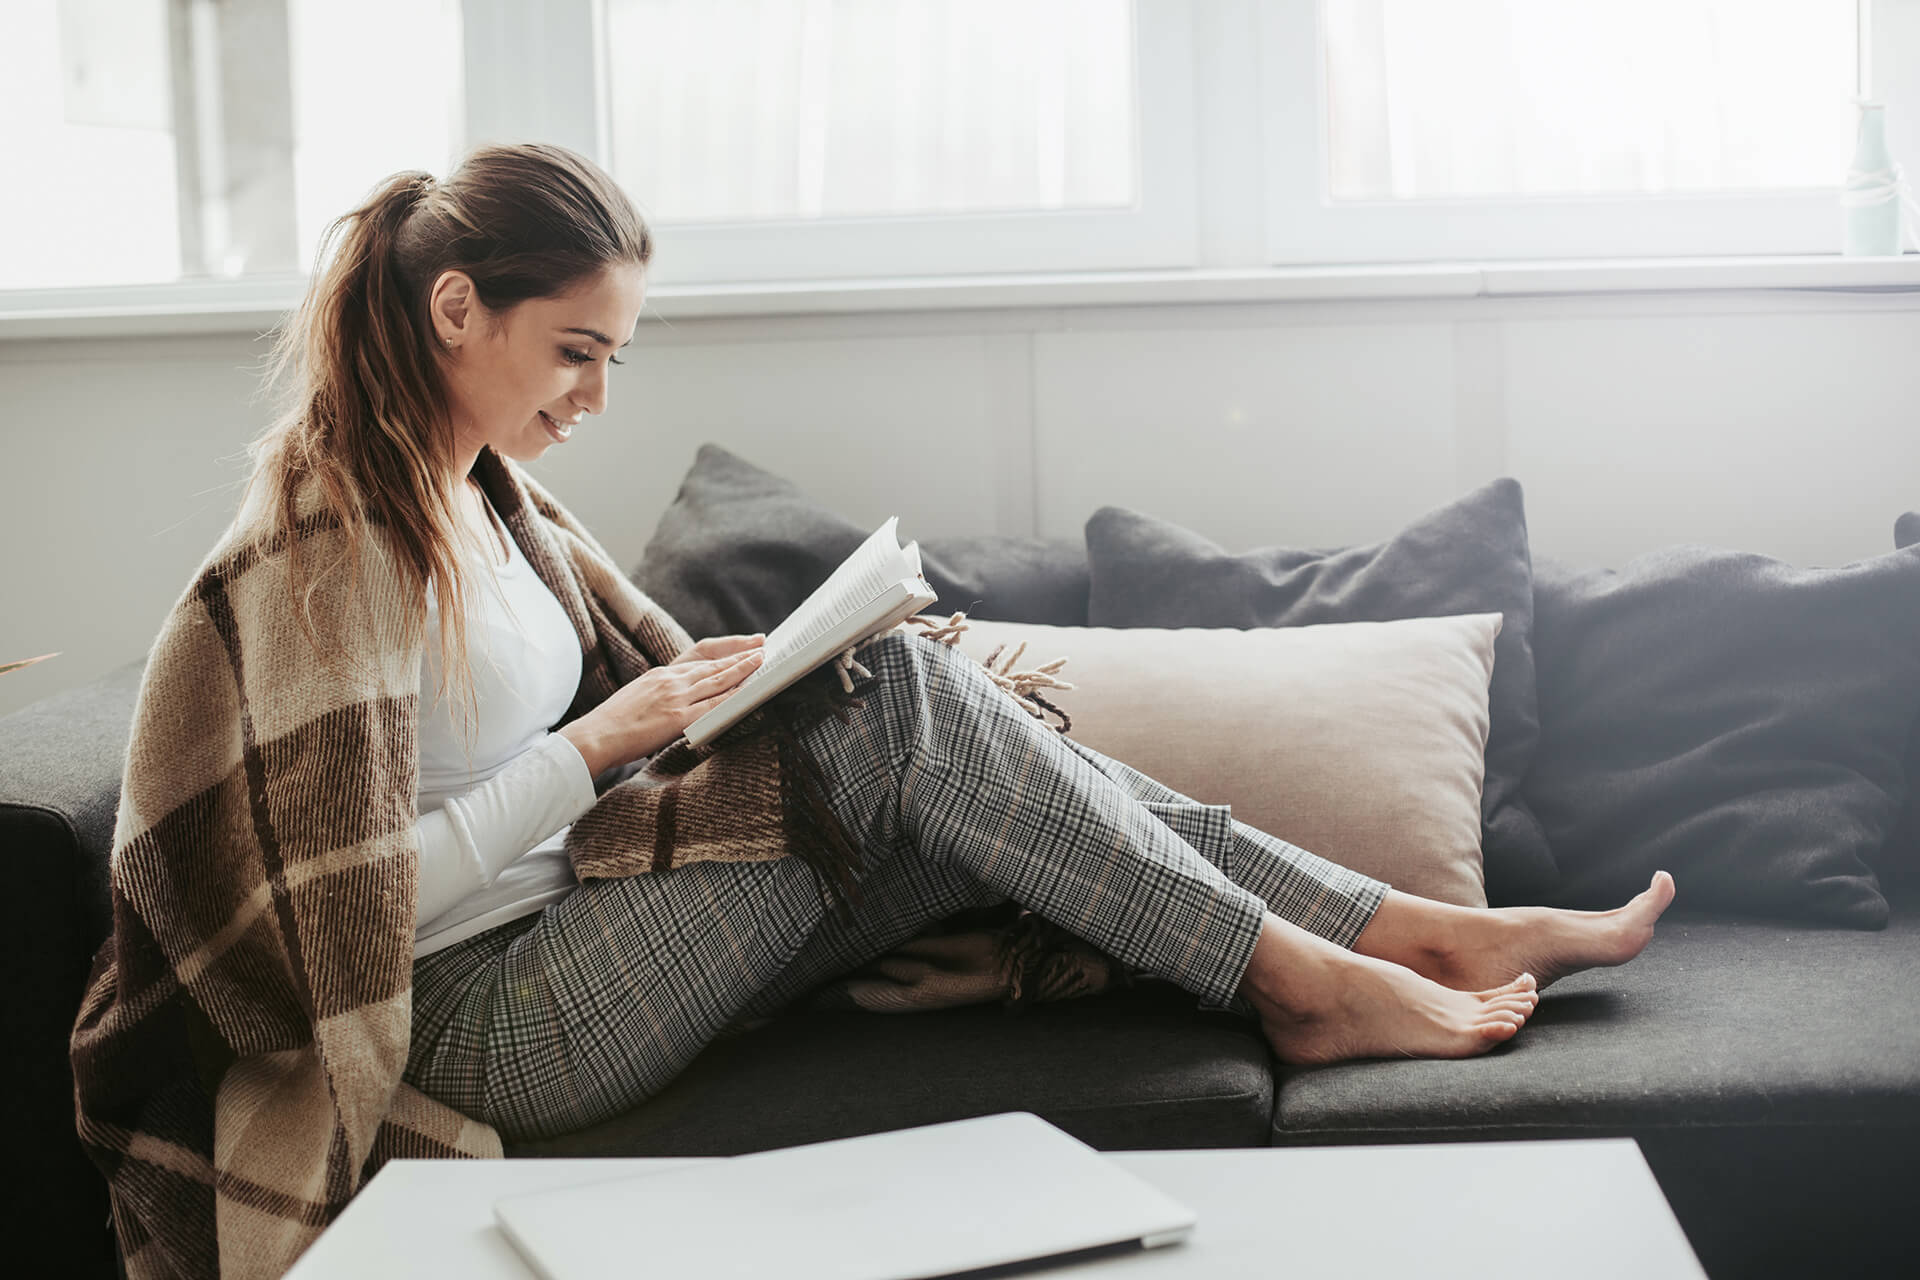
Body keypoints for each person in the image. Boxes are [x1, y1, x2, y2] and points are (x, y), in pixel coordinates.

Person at [74, 142, 1674, 1278]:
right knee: (911, 716)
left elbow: (645, 710)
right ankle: (1321, 972)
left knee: (963, 730)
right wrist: (595, 750)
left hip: (594, 924)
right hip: (488, 1018)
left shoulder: (490, 506)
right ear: (454, 313)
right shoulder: (323, 552)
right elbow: (343, 925)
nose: (594, 396)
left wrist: (751, 686)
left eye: (614, 354)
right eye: (574, 350)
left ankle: (1393, 927)